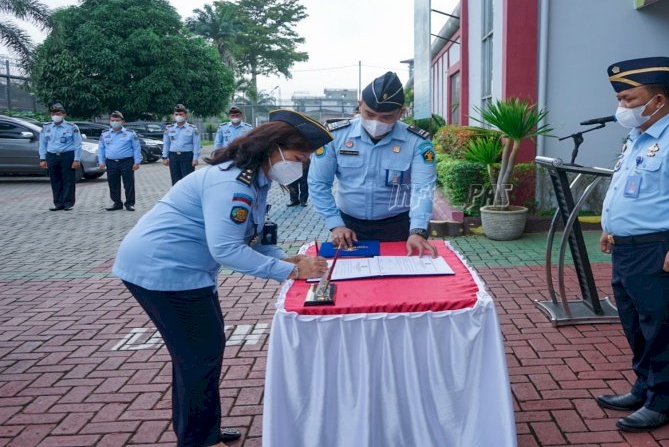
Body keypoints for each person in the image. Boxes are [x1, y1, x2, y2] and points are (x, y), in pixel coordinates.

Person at [113, 109, 331, 447]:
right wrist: (290, 271)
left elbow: (249, 240)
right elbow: (227, 251)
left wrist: (286, 258)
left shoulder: (254, 180)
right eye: (298, 157)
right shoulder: (232, 184)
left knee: (199, 353)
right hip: (162, 270)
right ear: (274, 147)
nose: (300, 166)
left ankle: (201, 430)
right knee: (199, 355)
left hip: (184, 271)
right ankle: (199, 439)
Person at [595, 57, 669, 432]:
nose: (623, 108)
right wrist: (607, 227)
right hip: (628, 248)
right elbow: (624, 189)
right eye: (620, 100)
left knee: (664, 326)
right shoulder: (637, 139)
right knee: (636, 324)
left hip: (662, 248)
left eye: (630, 99)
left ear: (659, 99)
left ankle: (665, 402)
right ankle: (645, 386)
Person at [308, 71, 438, 257]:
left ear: (401, 112)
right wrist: (334, 223)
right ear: (360, 106)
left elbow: (422, 188)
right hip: (347, 227)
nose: (376, 121)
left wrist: (417, 230)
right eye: (369, 114)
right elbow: (319, 183)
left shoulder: (418, 143)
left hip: (398, 226)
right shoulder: (335, 136)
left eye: (386, 117)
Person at [38, 103, 81, 211]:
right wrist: (42, 158)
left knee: (68, 180)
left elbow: (78, 144)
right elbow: (42, 144)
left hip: (67, 155)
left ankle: (68, 203)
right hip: (52, 156)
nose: (55, 115)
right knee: (55, 180)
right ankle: (58, 203)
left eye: (58, 113)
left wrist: (77, 159)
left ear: (64, 114)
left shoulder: (72, 127)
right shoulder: (46, 127)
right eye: (53, 113)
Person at [98, 111, 142, 211]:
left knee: (128, 183)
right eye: (113, 120)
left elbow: (136, 148)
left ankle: (130, 203)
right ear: (109, 121)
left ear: (123, 122)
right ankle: (117, 203)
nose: (115, 122)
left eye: (117, 120)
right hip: (111, 162)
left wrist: (137, 162)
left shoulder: (130, 134)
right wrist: (101, 161)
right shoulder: (105, 134)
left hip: (126, 162)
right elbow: (101, 149)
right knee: (113, 183)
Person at [162, 104, 202, 185]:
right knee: (175, 180)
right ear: (173, 115)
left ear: (185, 115)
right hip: (173, 156)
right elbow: (166, 143)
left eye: (181, 114)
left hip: (187, 156)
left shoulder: (192, 128)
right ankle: (176, 197)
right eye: (176, 114)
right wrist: (164, 157)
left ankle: (188, 197)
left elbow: (196, 145)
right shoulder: (169, 128)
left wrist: (195, 158)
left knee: (187, 181)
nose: (178, 116)